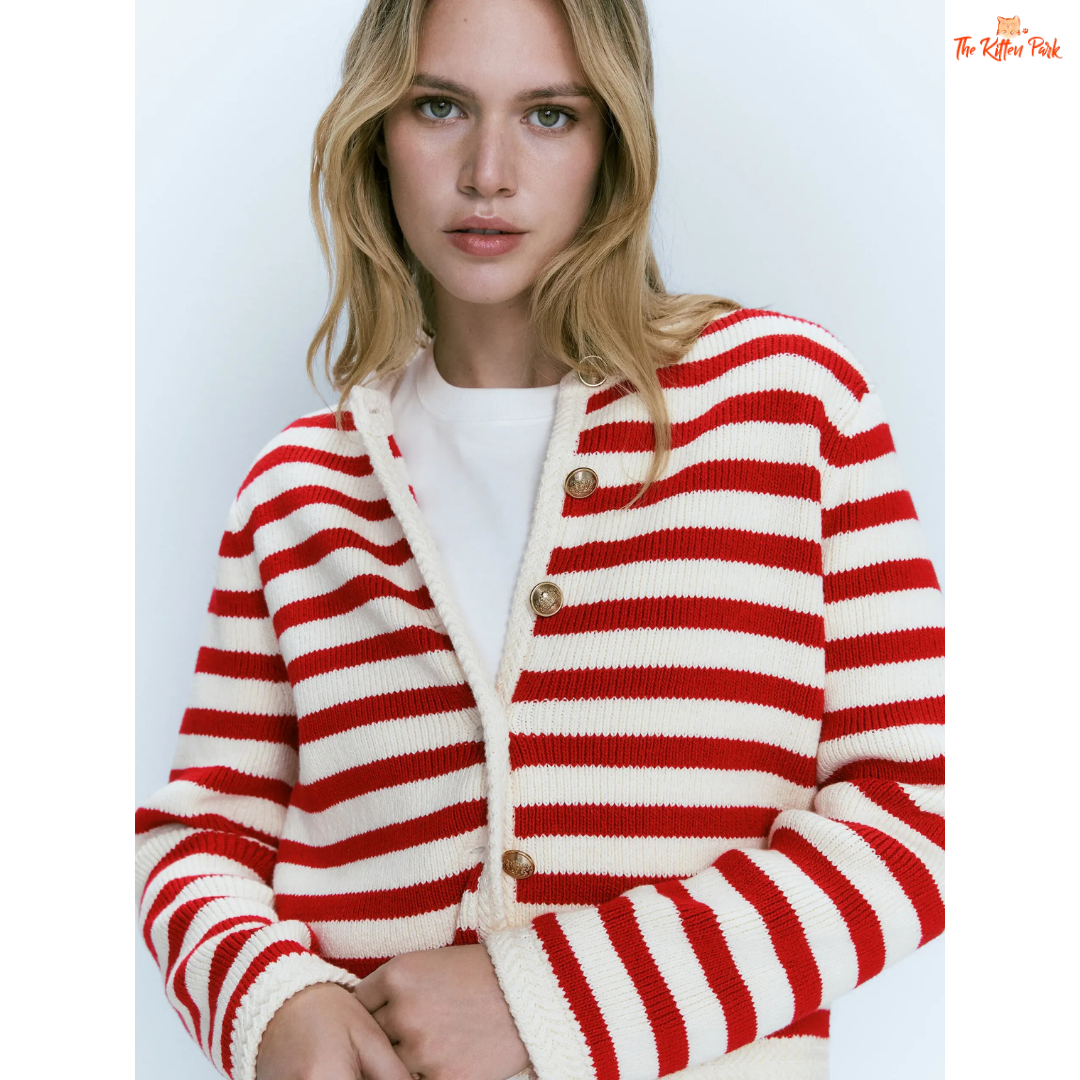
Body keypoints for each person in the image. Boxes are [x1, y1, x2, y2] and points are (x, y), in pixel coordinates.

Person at [134, 0, 945, 1078]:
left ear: (614, 139)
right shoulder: (297, 490)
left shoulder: (789, 408)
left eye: (550, 115)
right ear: (377, 128)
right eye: (439, 107)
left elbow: (926, 806)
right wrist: (274, 998)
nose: (488, 172)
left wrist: (544, 999)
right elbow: (203, 838)